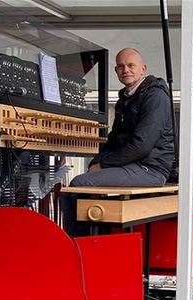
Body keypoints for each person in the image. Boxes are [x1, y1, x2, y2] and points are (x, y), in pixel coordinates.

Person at [62, 47, 175, 236]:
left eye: (131, 65)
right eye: (121, 66)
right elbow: (114, 138)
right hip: (133, 165)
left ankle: (77, 248)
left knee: (76, 184)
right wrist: (97, 162)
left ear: (143, 69)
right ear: (116, 71)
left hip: (151, 168)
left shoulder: (155, 96)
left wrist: (104, 163)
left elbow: (142, 144)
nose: (126, 70)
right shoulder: (126, 97)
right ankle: (91, 245)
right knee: (82, 187)